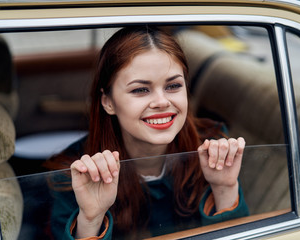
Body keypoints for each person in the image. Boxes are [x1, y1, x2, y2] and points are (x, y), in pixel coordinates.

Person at [46, 26, 249, 240]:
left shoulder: (214, 145)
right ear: (108, 102)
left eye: (173, 86)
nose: (162, 102)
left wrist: (224, 188)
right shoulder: (76, 173)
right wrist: (91, 218)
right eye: (140, 90)